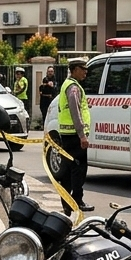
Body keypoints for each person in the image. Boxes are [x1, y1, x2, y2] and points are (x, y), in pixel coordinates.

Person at [56, 58, 94, 213]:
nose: (86, 71)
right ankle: (77, 200)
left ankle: (66, 201)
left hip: (68, 133)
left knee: (67, 169)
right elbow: (75, 111)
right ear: (74, 69)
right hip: (74, 135)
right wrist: (82, 135)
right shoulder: (73, 87)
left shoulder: (69, 85)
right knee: (78, 170)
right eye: (83, 69)